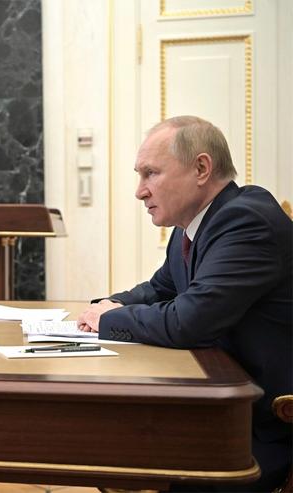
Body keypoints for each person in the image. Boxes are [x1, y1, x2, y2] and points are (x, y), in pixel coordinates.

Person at [77, 116, 292, 492]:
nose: (140, 191)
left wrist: (111, 319)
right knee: (110, 443)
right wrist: (108, 305)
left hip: (264, 424)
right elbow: (160, 288)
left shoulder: (246, 221)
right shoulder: (192, 226)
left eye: (151, 173)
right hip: (222, 400)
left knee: (120, 448)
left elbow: (188, 322)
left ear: (201, 168)